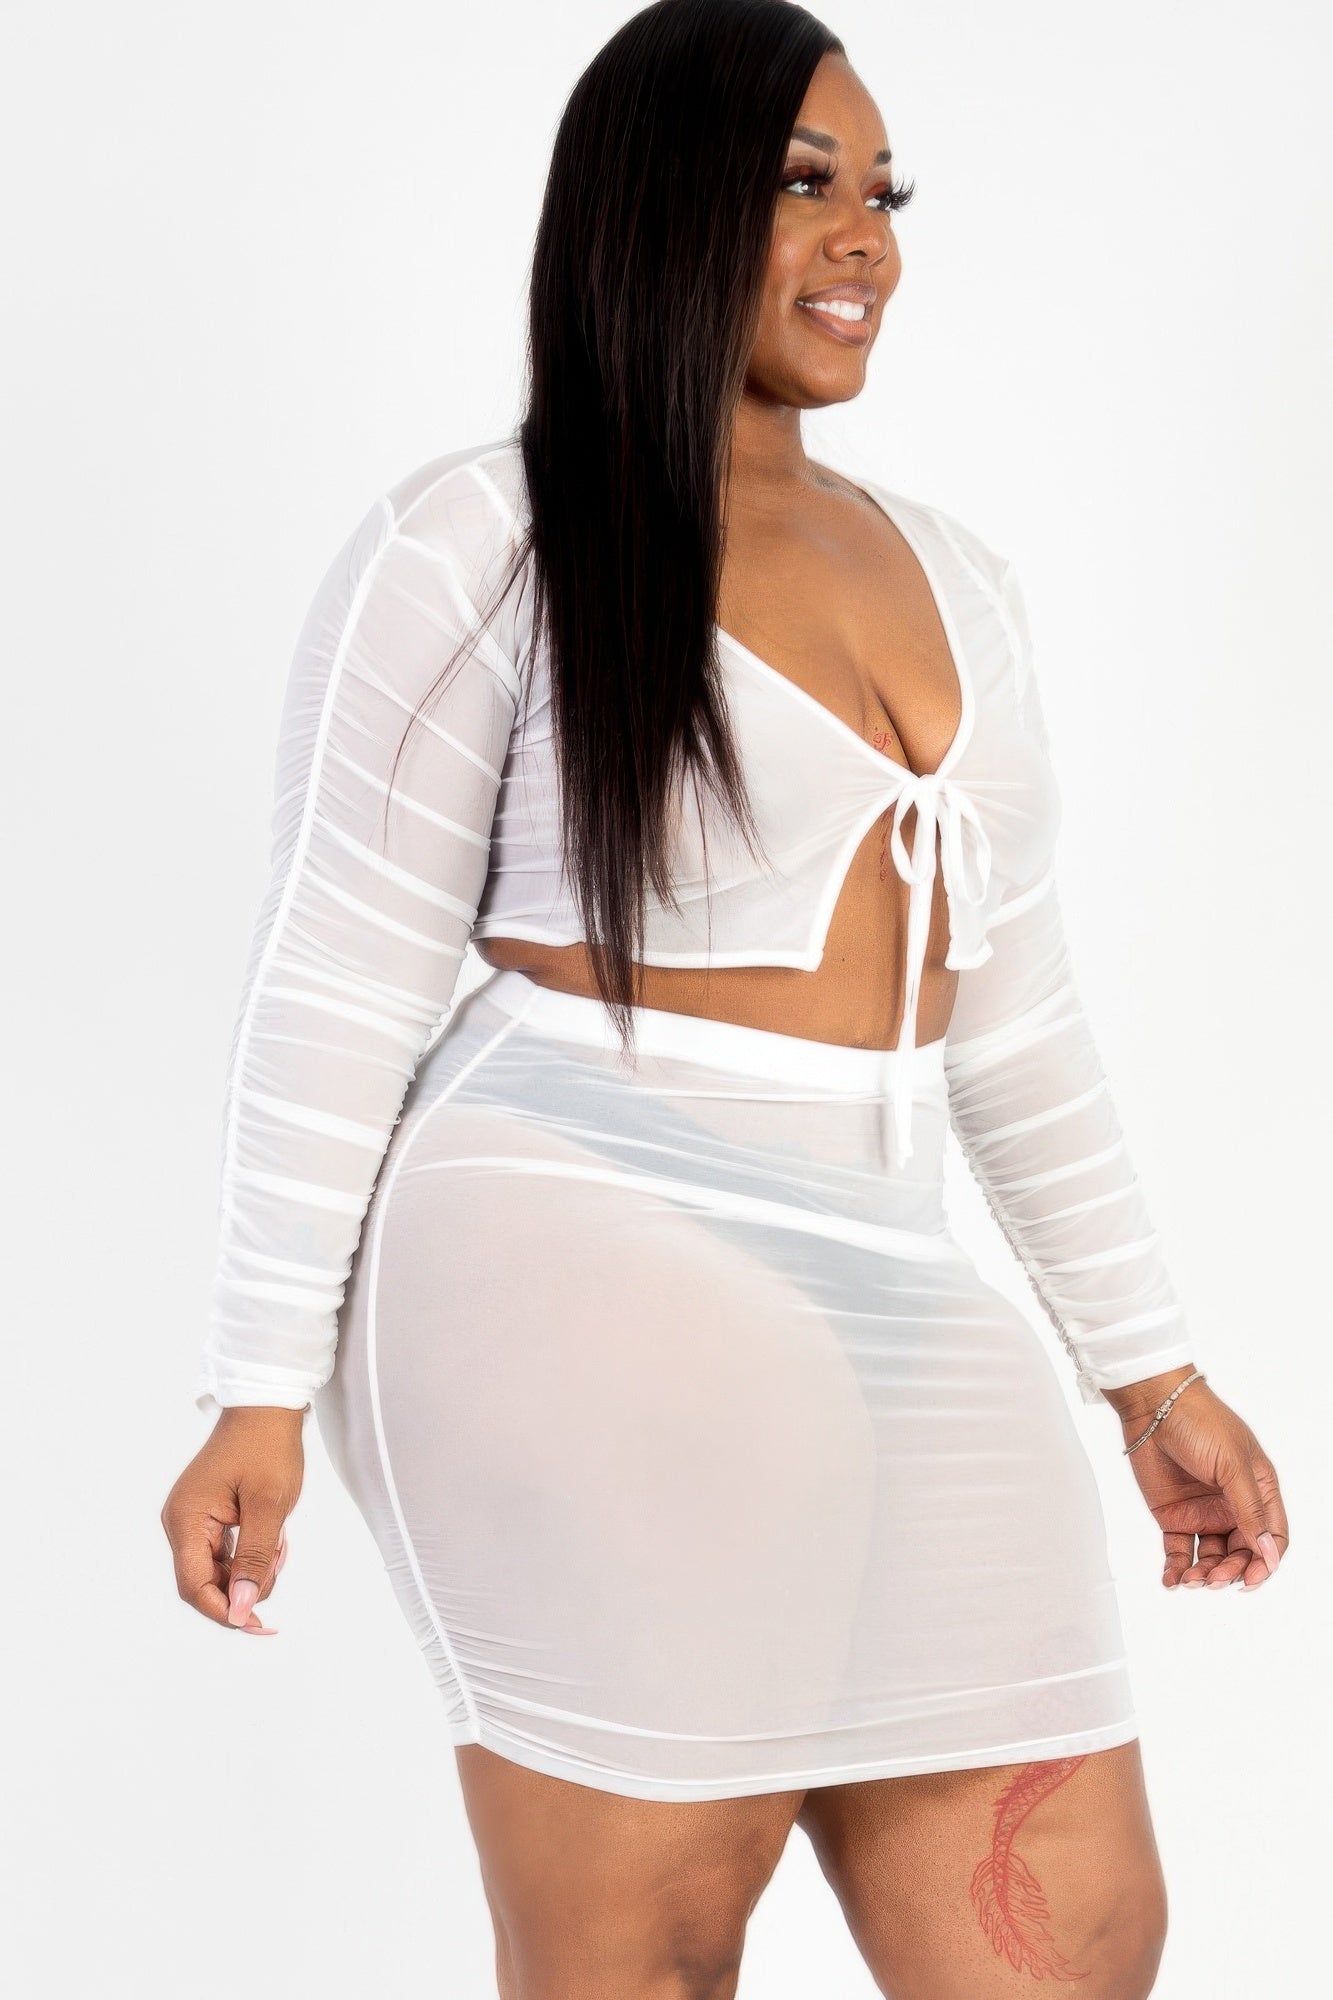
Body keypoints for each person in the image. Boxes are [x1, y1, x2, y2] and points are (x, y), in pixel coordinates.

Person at [161, 4, 1288, 1994]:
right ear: (657, 211)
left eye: (884, 194)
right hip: (579, 1228)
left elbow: (1012, 1014)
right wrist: (256, 1384)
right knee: (649, 1952)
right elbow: (336, 961)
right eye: (800, 185)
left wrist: (1151, 1373)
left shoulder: (956, 570)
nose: (866, 241)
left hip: (896, 1260)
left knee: (1077, 1943)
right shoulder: (486, 541)